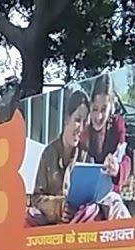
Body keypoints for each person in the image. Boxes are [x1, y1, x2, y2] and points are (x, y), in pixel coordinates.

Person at [30, 86, 92, 225]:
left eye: (84, 123)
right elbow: (36, 198)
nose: (80, 129)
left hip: (78, 224)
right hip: (51, 227)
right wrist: (59, 207)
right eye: (77, 120)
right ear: (66, 119)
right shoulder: (48, 154)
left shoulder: (85, 157)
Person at [80, 74, 132, 222]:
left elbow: (126, 159)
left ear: (112, 107)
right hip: (85, 198)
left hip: (110, 195)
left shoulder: (117, 125)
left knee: (118, 210)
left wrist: (117, 169)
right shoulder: (84, 130)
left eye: (104, 109)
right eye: (95, 109)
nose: (98, 116)